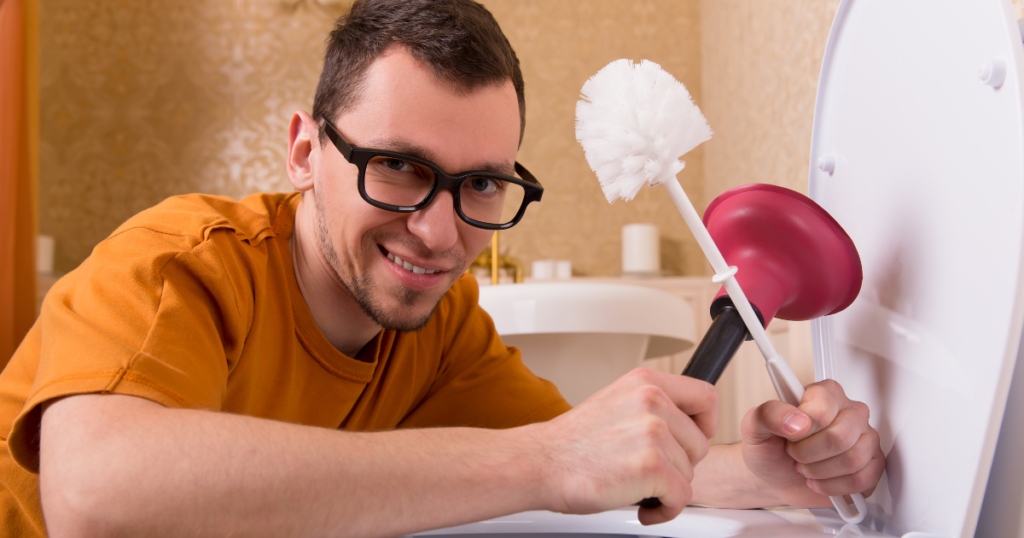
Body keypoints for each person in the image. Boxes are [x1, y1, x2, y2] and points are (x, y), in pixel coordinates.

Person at [0, 1, 885, 536]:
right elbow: (96, 500)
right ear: (305, 152)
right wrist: (539, 462)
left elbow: (603, 468)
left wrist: (760, 475)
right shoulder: (178, 266)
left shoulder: (442, 329)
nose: (436, 233)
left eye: (483, 185)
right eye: (398, 167)